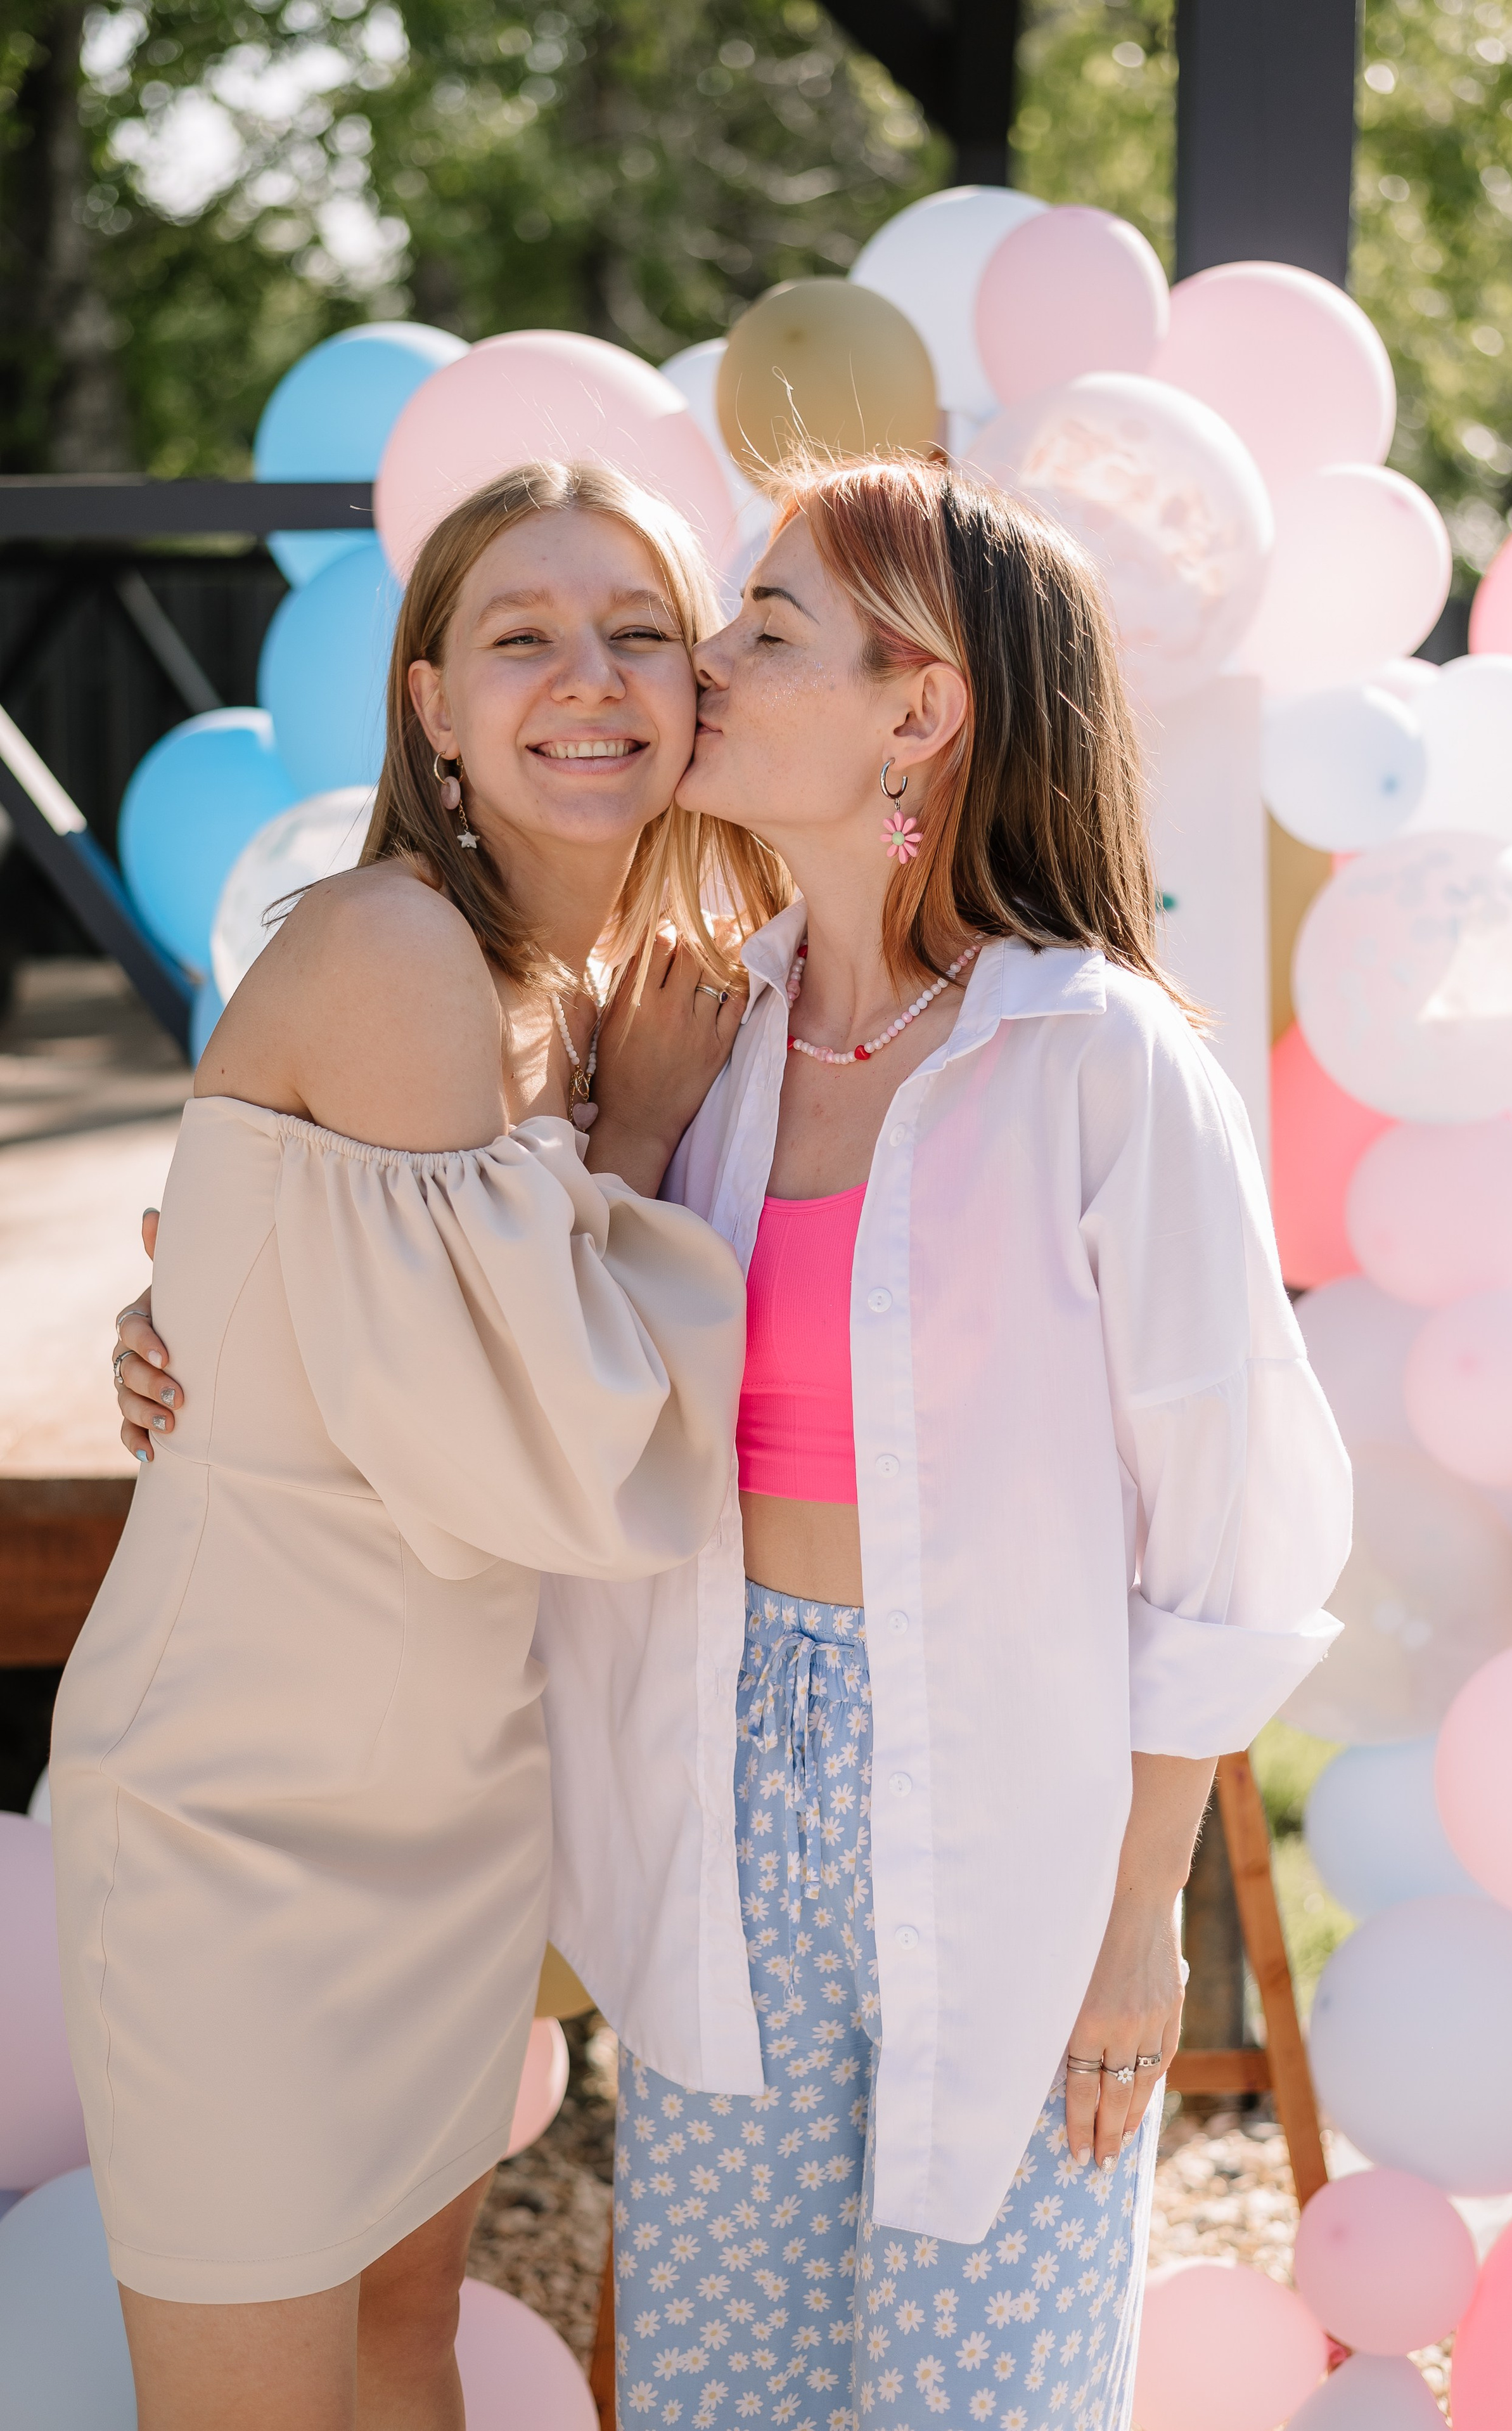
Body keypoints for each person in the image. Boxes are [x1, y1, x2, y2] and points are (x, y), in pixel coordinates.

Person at [114, 456, 1352, 2431]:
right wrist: (181, 1326)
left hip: (1004, 1816)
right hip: (709, 1797)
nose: (695, 663)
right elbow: (422, 1268)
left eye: (759, 631)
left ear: (918, 711)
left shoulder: (1099, 1063)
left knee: (978, 2395)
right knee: (717, 2391)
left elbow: (1233, 1532)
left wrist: (1142, 1922)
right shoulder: (692, 1042)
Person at [60, 459, 785, 2431]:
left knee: (403, 2348)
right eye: (522, 635)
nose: (591, 675)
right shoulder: (393, 954)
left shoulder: (595, 992)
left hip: (455, 1805)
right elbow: (542, 1450)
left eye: (641, 629)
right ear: (432, 704)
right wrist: (630, 1149)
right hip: (236, 1819)